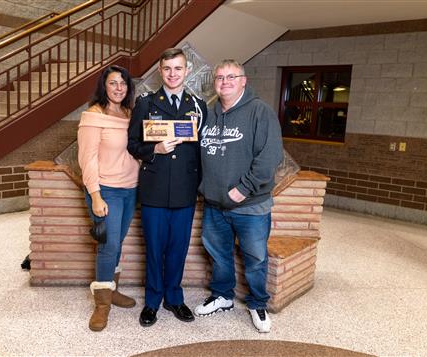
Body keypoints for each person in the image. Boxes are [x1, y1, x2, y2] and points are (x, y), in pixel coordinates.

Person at [194, 59, 283, 333]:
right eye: (220, 77)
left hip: (251, 206)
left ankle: (258, 304)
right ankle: (223, 296)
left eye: (232, 76)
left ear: (243, 81)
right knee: (219, 255)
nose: (225, 82)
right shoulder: (208, 113)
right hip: (214, 205)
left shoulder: (260, 112)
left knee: (255, 258)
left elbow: (269, 159)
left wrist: (243, 188)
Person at [127, 48, 207, 327]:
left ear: (187, 71)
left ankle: (174, 298)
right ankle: (152, 302)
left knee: (177, 249)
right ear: (160, 71)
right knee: (154, 248)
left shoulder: (198, 106)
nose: (173, 74)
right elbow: (132, 144)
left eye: (178, 68)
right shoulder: (146, 103)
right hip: (155, 190)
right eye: (167, 69)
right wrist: (155, 149)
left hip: (185, 190)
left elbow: (201, 151)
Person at [77, 65, 139, 332]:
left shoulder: (129, 113)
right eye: (113, 83)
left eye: (123, 83)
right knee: (108, 245)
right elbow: (87, 158)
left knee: (118, 241)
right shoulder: (92, 116)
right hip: (106, 190)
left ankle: (111, 290)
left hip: (130, 188)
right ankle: (102, 305)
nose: (118, 88)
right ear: (104, 86)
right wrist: (95, 195)